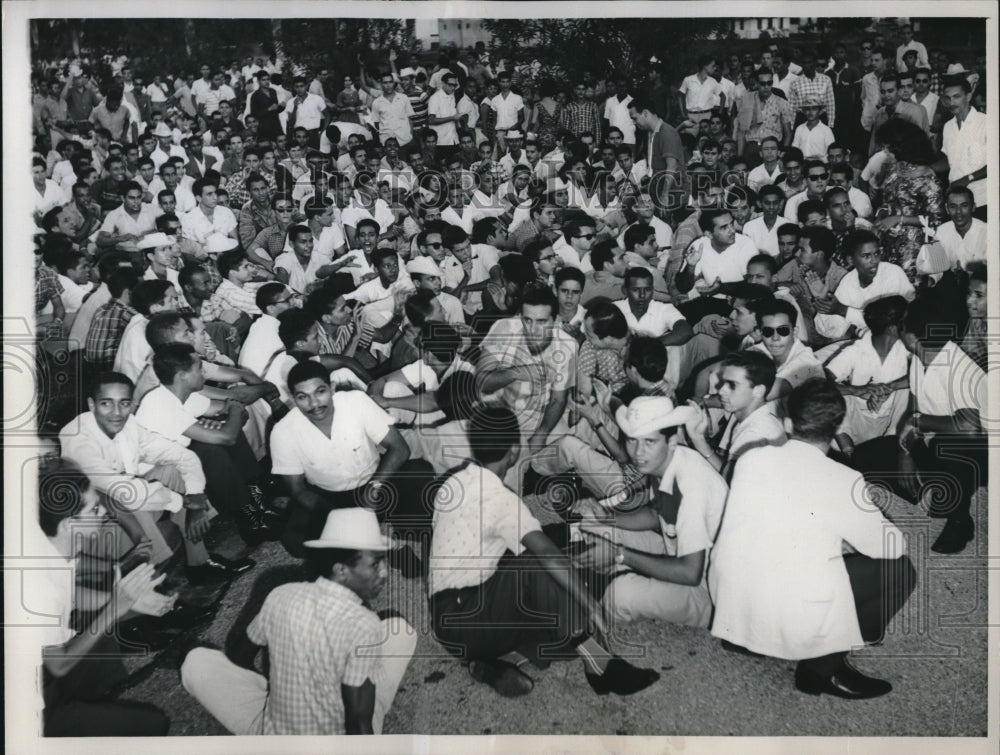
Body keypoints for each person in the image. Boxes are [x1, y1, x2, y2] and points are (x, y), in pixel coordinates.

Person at [428, 405, 660, 697]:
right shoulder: (502, 500)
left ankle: (488, 664)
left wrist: (575, 532)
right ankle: (599, 663)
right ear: (514, 450)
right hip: (466, 616)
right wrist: (590, 603)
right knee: (542, 567)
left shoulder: (453, 482)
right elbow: (545, 553)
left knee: (554, 596)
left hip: (449, 618)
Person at [710, 379, 916, 699]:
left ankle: (744, 635)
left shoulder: (752, 457)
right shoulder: (844, 480)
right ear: (837, 428)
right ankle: (823, 668)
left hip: (733, 591)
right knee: (901, 570)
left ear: (788, 423)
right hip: (788, 603)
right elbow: (891, 546)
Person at [181, 507, 416, 734]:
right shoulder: (364, 624)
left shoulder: (281, 594)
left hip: (275, 736)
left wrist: (288, 689)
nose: (385, 572)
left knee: (196, 661)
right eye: (375, 564)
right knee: (399, 630)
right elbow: (358, 725)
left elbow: (240, 656)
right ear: (341, 570)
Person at [35, 458, 174, 736]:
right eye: (95, 508)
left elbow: (72, 596)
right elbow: (59, 664)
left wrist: (127, 602)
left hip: (43, 671)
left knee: (99, 633)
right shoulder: (40, 587)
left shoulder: (53, 546)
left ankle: (93, 703)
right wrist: (115, 606)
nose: (103, 513)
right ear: (68, 524)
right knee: (154, 724)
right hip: (30, 712)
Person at [573, 396, 727, 629]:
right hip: (675, 548)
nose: (638, 453)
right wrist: (607, 517)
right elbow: (657, 515)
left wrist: (620, 554)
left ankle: (609, 593)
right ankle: (607, 576)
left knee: (619, 595)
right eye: (632, 441)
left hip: (710, 591)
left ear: (672, 441)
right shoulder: (668, 461)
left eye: (650, 442)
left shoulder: (691, 485)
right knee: (592, 525)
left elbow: (691, 573)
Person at [270, 360, 433, 557]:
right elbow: (297, 490)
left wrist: (374, 488)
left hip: (375, 485)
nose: (314, 404)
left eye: (320, 392)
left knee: (420, 472)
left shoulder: (355, 401)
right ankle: (369, 544)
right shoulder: (283, 431)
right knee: (295, 540)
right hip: (329, 497)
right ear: (292, 397)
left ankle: (376, 536)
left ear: (331, 388)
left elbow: (399, 449)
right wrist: (338, 516)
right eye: (303, 397)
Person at [135, 342, 276, 547]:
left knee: (221, 434)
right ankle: (249, 520)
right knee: (211, 448)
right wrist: (233, 414)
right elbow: (230, 425)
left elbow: (234, 417)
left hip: (177, 460)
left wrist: (231, 416)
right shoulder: (159, 404)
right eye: (199, 368)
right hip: (154, 475)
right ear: (182, 375)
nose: (204, 372)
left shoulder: (184, 395)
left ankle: (258, 502)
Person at [825, 296, 910, 458]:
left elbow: (923, 372)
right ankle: (848, 450)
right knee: (831, 392)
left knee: (909, 389)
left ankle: (895, 445)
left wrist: (890, 388)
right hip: (856, 423)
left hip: (890, 424)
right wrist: (856, 390)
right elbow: (822, 379)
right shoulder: (857, 351)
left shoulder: (905, 347)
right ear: (892, 329)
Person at [684, 350, 785, 481]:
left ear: (758, 391)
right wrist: (698, 438)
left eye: (732, 385)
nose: (720, 391)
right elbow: (729, 473)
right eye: (723, 382)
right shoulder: (755, 420)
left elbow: (729, 483)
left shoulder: (754, 433)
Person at [940, 76, 988, 220]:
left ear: (968, 96)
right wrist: (927, 168)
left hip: (983, 199)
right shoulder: (948, 127)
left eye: (956, 97)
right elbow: (949, 161)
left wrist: (968, 178)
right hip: (957, 202)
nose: (952, 102)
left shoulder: (986, 122)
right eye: (948, 98)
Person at [934, 185, 986, 271]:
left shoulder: (987, 233)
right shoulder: (941, 232)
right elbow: (937, 267)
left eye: (964, 206)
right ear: (947, 209)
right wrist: (931, 280)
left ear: (973, 207)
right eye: (953, 206)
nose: (958, 212)